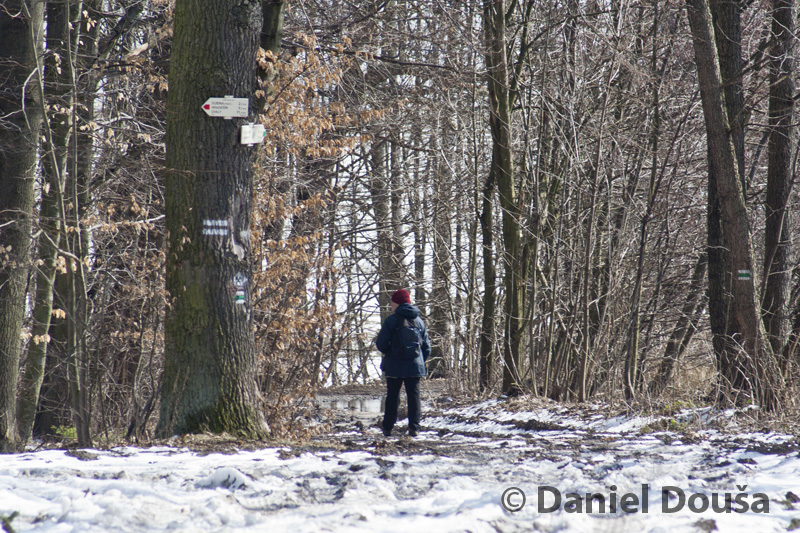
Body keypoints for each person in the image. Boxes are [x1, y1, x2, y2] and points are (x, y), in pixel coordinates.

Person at [375, 289, 431, 437]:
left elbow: (380, 344)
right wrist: (418, 361)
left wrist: (391, 353)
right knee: (414, 396)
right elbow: (427, 348)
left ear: (398, 303)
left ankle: (388, 428)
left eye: (392, 303)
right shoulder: (419, 321)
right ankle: (414, 428)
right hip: (415, 365)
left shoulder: (391, 321)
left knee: (393, 396)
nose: (391, 305)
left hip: (394, 365)